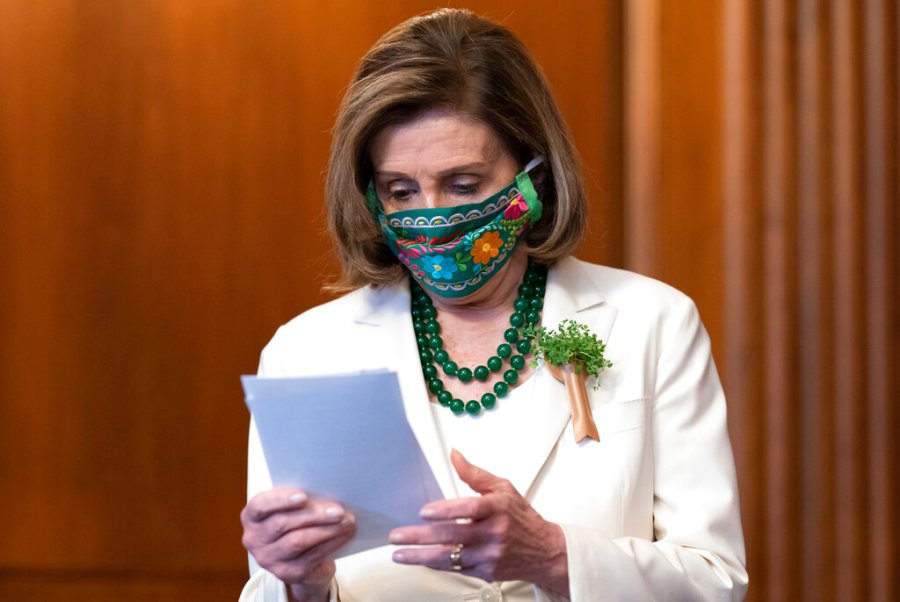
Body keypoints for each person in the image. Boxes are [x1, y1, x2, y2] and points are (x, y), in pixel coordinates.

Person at [239, 8, 748, 602]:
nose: (430, 216)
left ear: (534, 172)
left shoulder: (654, 323)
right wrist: (297, 581)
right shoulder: (306, 352)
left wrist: (555, 557)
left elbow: (716, 579)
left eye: (463, 185)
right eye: (401, 191)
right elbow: (273, 589)